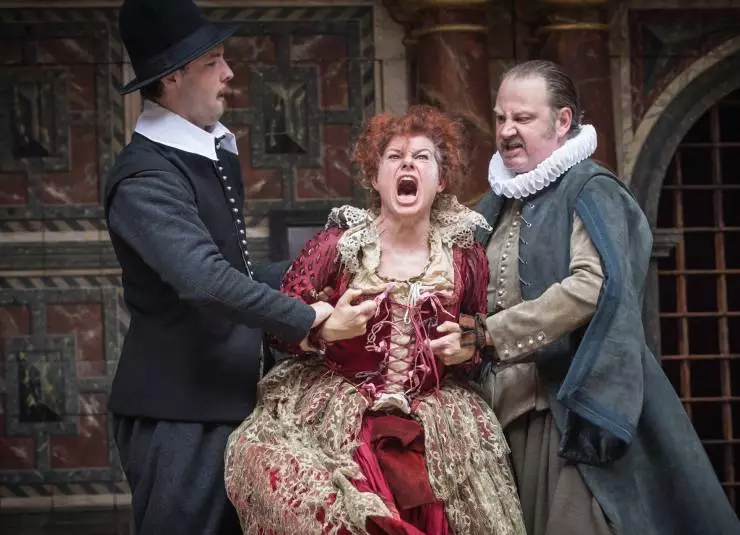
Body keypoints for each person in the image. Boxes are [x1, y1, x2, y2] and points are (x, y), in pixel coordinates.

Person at [105, 1, 371, 533]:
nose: (229, 73)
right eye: (213, 62)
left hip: (226, 401)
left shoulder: (208, 151)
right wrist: (308, 320)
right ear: (172, 77)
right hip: (178, 415)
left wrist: (338, 259)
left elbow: (237, 270)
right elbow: (204, 280)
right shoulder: (145, 177)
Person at [224, 105, 526, 535]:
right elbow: (278, 325)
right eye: (394, 156)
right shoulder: (339, 246)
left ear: (441, 180)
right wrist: (325, 329)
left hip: (436, 418)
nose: (408, 164)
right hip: (338, 409)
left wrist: (465, 348)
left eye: (422, 157)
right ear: (373, 177)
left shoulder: (465, 256)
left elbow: (473, 344)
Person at [472, 59, 740, 535]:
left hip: (567, 410)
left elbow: (592, 285)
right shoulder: (494, 205)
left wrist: (491, 334)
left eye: (523, 118)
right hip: (499, 415)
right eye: (500, 118)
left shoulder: (591, 189)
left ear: (563, 121)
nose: (507, 130)